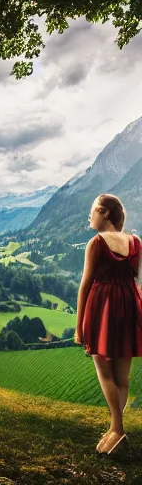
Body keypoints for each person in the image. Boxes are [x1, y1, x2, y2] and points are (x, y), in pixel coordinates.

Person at [75, 194, 142, 455]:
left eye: (92, 211)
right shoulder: (136, 242)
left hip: (102, 308)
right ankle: (116, 427)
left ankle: (117, 429)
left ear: (104, 212)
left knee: (104, 371)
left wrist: (80, 326)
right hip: (130, 306)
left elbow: (86, 285)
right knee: (122, 377)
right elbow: (136, 279)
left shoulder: (96, 243)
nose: (89, 216)